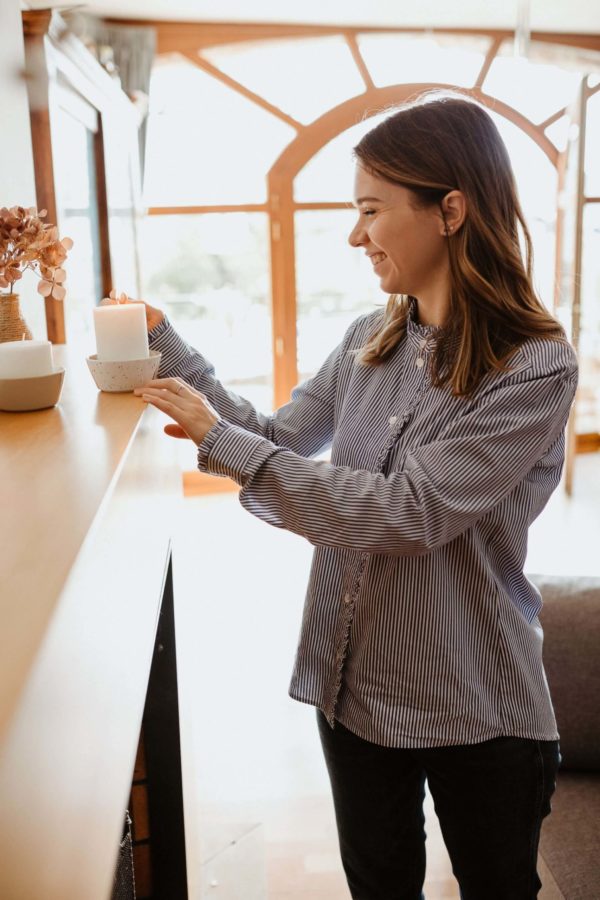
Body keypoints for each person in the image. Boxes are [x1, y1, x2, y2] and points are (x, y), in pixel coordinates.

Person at [126, 91, 577, 899]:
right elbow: (280, 433)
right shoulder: (368, 341)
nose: (355, 234)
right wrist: (163, 343)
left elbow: (410, 514)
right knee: (377, 886)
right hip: (354, 690)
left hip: (477, 706)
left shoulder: (534, 367)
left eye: (371, 209)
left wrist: (217, 442)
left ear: (451, 209)